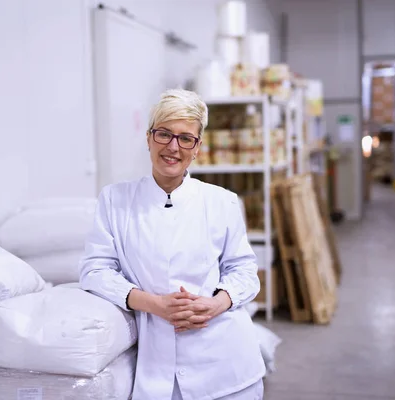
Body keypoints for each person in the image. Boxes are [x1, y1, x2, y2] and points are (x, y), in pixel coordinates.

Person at [80, 88, 266, 400]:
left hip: (227, 366)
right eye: (164, 134)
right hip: (159, 372)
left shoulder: (221, 202)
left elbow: (245, 271)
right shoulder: (116, 200)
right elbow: (94, 271)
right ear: (149, 138)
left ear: (197, 148)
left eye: (185, 138)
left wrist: (215, 304)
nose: (173, 147)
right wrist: (154, 305)